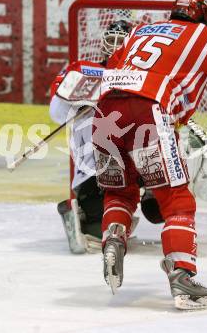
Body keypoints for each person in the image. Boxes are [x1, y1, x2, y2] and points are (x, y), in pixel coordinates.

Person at [92, 0, 207, 310]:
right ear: (203, 17)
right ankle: (183, 278)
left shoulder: (140, 31)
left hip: (104, 110)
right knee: (176, 199)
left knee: (120, 194)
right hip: (148, 111)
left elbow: (109, 65)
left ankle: (114, 235)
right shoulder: (200, 34)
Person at [50, 20, 142, 254]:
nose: (115, 46)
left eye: (122, 41)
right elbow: (57, 113)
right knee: (97, 231)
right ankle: (85, 211)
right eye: (112, 40)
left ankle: (145, 195)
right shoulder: (82, 69)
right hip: (93, 168)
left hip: (132, 163)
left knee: (159, 206)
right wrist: (83, 96)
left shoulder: (145, 76)